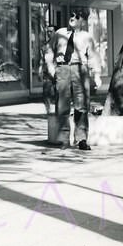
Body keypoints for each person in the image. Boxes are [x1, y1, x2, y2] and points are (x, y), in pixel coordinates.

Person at [43, 11, 100, 151]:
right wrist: (51, 68)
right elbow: (49, 50)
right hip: (62, 69)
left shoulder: (87, 37)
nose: (73, 18)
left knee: (81, 105)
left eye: (77, 17)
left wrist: (97, 74)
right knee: (62, 105)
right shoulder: (59, 33)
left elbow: (93, 56)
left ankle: (81, 139)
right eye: (71, 15)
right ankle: (63, 139)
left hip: (80, 69)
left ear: (83, 22)